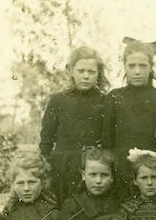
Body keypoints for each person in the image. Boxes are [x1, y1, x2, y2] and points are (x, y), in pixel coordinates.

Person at [40, 46, 109, 200]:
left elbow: (108, 138)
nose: (86, 76)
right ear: (71, 71)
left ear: (98, 74)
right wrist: (47, 164)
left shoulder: (104, 101)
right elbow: (46, 138)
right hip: (62, 165)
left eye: (91, 72)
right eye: (81, 71)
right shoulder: (58, 100)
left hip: (92, 166)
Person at [103, 38, 156, 189]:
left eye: (143, 66)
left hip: (151, 171)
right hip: (120, 169)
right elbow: (106, 140)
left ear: (151, 67)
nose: (137, 71)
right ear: (124, 66)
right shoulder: (114, 97)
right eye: (132, 66)